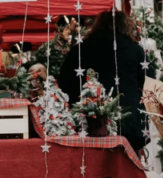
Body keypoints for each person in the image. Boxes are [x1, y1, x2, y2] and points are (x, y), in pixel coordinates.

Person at [58, 10, 147, 152]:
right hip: (129, 122)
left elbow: (64, 83)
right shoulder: (136, 51)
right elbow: (147, 85)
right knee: (127, 166)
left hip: (88, 122)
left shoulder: (80, 50)